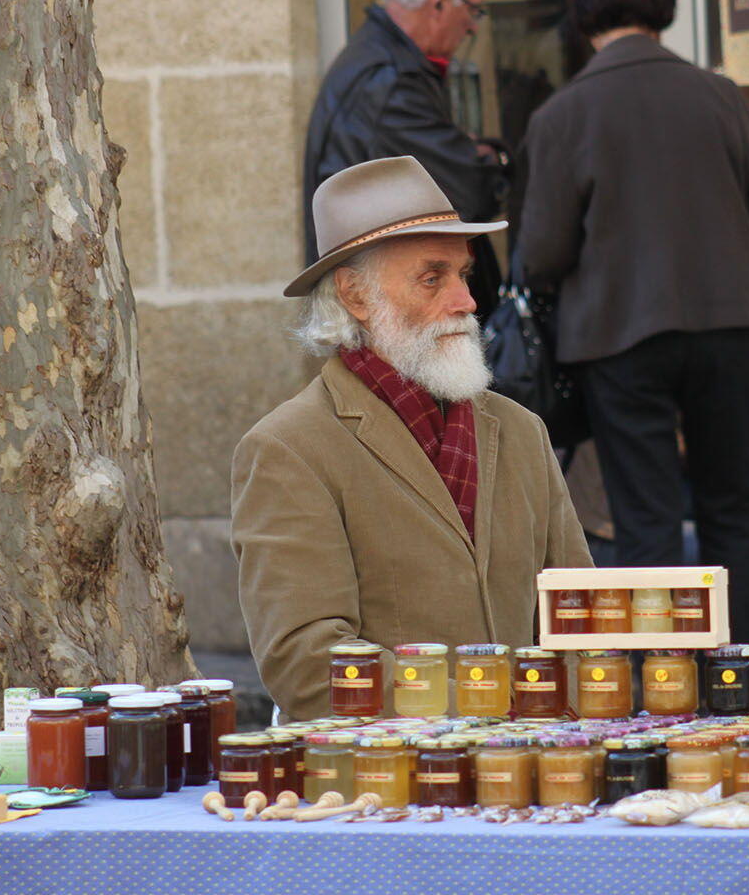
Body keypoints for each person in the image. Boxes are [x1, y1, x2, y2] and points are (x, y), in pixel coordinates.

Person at [232, 156, 591, 721]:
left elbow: (577, 613)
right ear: (355, 296)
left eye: (463, 275)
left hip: (535, 775)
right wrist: (486, 712)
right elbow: (306, 663)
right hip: (386, 788)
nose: (467, 303)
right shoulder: (289, 449)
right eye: (432, 279)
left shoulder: (521, 430)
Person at [517, 0, 749, 645]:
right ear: (662, 6)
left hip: (619, 336)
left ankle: (663, 687)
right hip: (733, 325)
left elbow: (541, 253)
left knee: (647, 521)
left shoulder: (563, 115)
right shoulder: (720, 95)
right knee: (734, 509)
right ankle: (744, 679)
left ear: (582, 16)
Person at [302, 0, 506, 316]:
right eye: (474, 11)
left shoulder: (384, 63)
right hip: (395, 316)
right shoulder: (389, 80)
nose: (473, 28)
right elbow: (466, 194)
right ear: (441, 2)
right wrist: (494, 161)